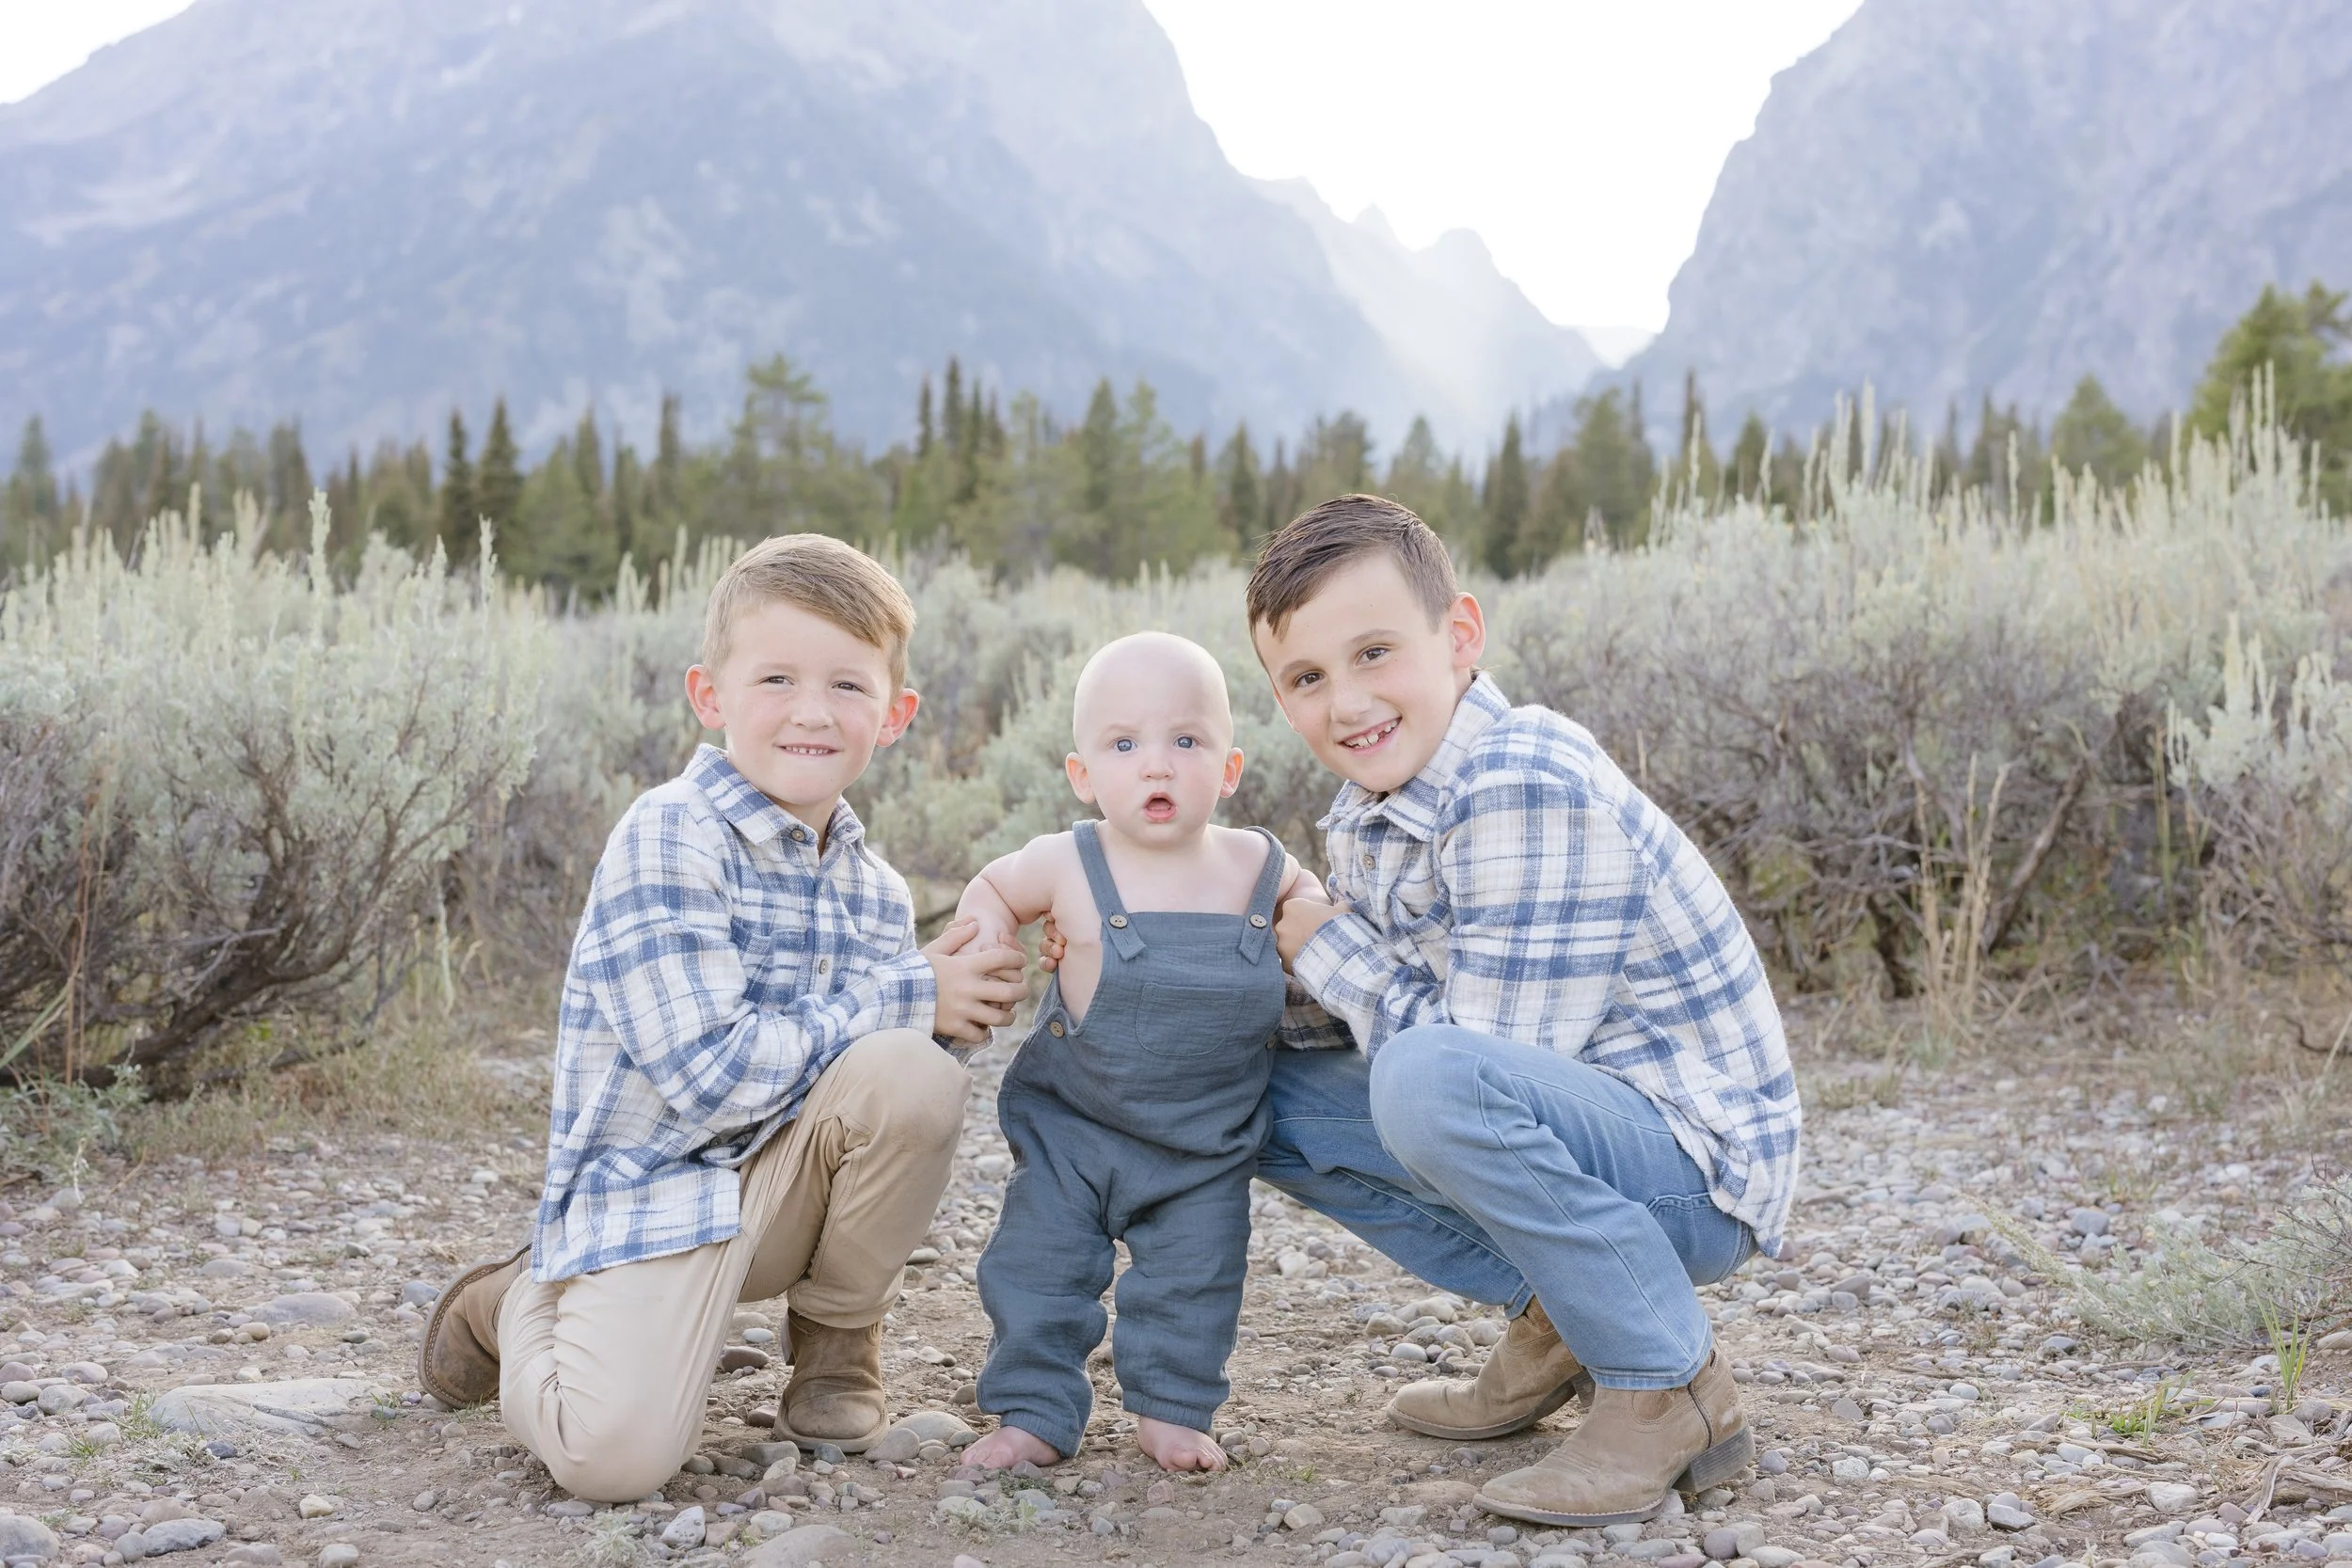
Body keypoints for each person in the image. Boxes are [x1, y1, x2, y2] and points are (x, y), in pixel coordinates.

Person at [416, 534, 1028, 1502]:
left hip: (773, 1195)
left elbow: (880, 1090)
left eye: (848, 685)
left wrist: (975, 989)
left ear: (897, 713)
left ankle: (836, 1345)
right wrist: (916, 989)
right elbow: (710, 1075)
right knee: (609, 1460)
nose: (812, 711)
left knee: (917, 1073)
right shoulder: (670, 833)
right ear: (710, 695)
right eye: (776, 677)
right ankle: (516, 1296)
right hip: (652, 1199)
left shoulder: (874, 888)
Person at [1248, 495, 1803, 1528]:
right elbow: (1373, 1011)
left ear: (1458, 637)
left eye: (1375, 652)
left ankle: (1665, 1380)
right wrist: (1193, 951)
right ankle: (1563, 1317)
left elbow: (1477, 1059)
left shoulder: (1518, 780)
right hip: (1581, 1126)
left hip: (1693, 1166)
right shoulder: (1377, 806)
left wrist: (1322, 938)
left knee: (1428, 1080)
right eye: (1307, 677)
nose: (1348, 700)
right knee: (1248, 1089)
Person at [951, 632, 1322, 1474]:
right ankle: (1036, 1409)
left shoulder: (1259, 864)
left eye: (1186, 741)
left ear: (1229, 768)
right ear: (1083, 774)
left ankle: (1172, 1409)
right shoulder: (1067, 861)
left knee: (1196, 1279)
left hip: (1205, 1142)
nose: (1157, 766)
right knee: (1038, 1269)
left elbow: (1315, 909)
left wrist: (1315, 927)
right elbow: (994, 887)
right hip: (1073, 1129)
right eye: (1125, 744)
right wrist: (988, 941)